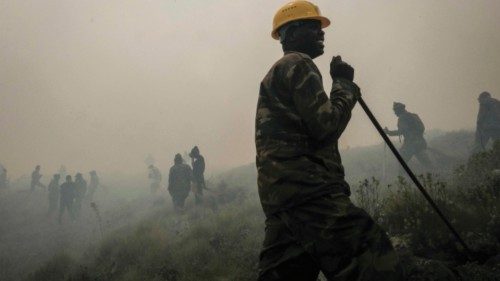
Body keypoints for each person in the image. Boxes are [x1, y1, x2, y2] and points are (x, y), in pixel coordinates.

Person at [255, 2, 402, 280]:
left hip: (282, 197)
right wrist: (344, 84)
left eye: (320, 28)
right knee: (370, 255)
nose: (321, 33)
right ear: (290, 32)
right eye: (312, 27)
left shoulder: (276, 73)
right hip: (311, 190)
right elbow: (326, 126)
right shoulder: (299, 63)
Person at [384, 102, 432, 167]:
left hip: (410, 145)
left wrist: (388, 132)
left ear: (399, 110)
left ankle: (402, 176)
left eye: (395, 111)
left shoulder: (402, 118)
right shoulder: (414, 115)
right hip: (420, 142)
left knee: (401, 164)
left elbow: (400, 132)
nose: (395, 113)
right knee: (427, 164)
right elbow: (422, 128)